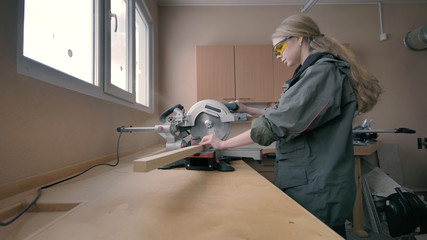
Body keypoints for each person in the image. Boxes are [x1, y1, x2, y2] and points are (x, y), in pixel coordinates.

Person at [200, 14, 382, 238]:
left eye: (279, 48)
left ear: (299, 38)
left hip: (317, 186)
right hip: (313, 181)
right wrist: (248, 110)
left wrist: (223, 144)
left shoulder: (322, 73)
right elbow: (290, 116)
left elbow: (275, 124)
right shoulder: (314, 73)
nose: (277, 55)